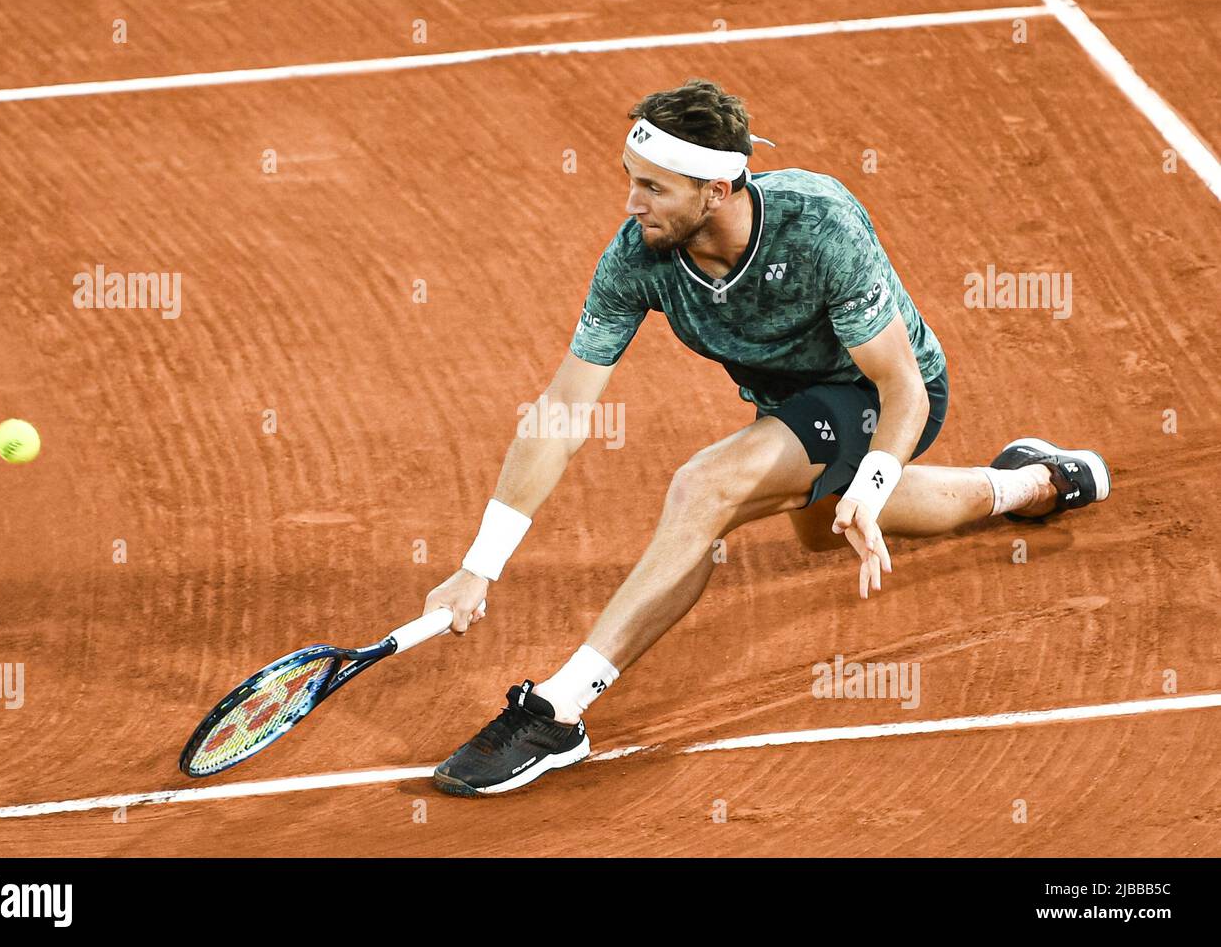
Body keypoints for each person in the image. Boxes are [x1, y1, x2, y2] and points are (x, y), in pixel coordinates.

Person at [424, 79, 1110, 797]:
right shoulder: (638, 258)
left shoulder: (818, 225)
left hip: (877, 397)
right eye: (631, 182)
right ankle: (1030, 483)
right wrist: (482, 562)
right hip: (791, 408)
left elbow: (902, 385)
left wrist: (874, 477)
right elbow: (563, 408)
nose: (632, 205)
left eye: (654, 188)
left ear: (716, 190)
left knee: (705, 487)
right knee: (820, 530)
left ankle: (557, 713)